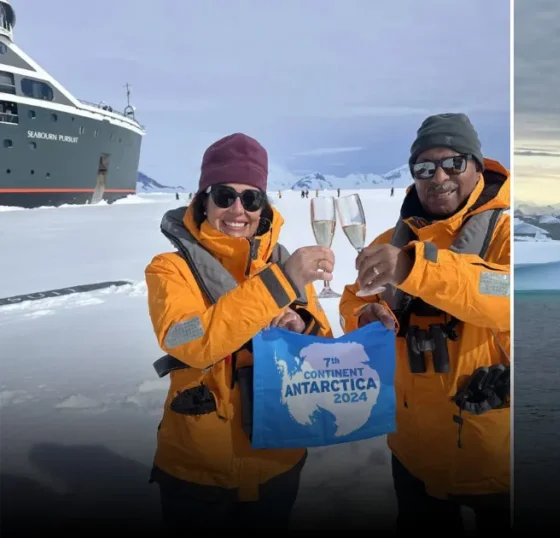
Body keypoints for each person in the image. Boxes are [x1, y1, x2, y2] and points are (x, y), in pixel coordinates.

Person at [144, 133, 336, 531]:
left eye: (251, 199)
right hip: (199, 467)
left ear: (263, 207)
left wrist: (302, 327)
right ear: (203, 200)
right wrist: (278, 288)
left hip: (277, 460)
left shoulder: (283, 263)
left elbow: (324, 355)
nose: (237, 209)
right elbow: (186, 340)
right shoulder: (169, 269)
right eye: (224, 195)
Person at [339, 113, 511, 532]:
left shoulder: (508, 232)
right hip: (413, 449)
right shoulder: (389, 242)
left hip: (493, 451)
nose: (439, 177)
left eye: (453, 163)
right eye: (424, 168)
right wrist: (362, 313)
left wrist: (416, 267)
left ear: (477, 165)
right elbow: (352, 298)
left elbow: (505, 296)